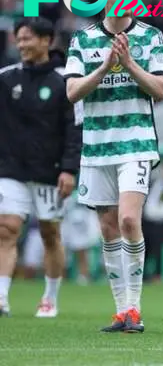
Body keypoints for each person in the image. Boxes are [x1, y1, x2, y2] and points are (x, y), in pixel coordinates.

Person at [64, 0, 163, 333]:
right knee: (108, 228)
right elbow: (72, 92)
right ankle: (121, 309)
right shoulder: (83, 39)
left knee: (128, 219)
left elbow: (159, 89)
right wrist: (106, 66)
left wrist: (128, 64)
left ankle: (136, 308)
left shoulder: (151, 36)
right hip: (96, 145)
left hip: (136, 142)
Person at [0, 17, 81, 317]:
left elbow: (74, 127)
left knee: (50, 233)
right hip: (12, 169)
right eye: (18, 39)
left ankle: (50, 297)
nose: (21, 44)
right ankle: (1, 296)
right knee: (7, 229)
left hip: (51, 170)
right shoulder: (6, 78)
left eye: (28, 38)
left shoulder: (65, 80)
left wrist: (69, 169)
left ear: (47, 41)